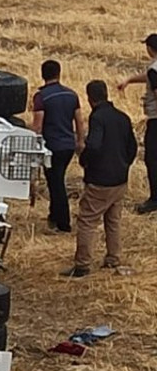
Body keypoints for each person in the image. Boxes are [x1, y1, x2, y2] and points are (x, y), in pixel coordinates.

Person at [63, 80, 137, 277]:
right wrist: (124, 165)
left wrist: (85, 160)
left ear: (90, 99)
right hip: (120, 180)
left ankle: (82, 265)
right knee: (113, 220)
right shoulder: (122, 117)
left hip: (100, 181)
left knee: (87, 221)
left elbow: (94, 145)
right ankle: (113, 258)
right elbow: (132, 147)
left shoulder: (97, 118)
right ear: (106, 93)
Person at [32, 60, 85, 233]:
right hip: (68, 146)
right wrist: (80, 141)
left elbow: (38, 126)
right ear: (59, 73)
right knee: (56, 180)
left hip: (52, 147)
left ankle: (63, 223)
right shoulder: (72, 95)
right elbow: (79, 121)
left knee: (56, 184)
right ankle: (54, 217)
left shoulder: (41, 97)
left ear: (42, 74)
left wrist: (34, 145)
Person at [116, 33, 157, 214]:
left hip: (156, 121)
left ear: (149, 48)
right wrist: (130, 80)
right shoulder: (153, 71)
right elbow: (149, 77)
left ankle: (155, 199)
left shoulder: (154, 69)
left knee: (152, 159)